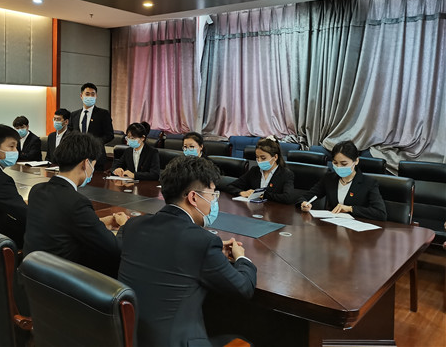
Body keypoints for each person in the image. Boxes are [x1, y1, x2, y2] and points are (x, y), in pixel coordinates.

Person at [117, 156, 257, 347]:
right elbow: (243, 288)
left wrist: (211, 255)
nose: (214, 202)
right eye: (212, 195)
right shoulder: (202, 242)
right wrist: (242, 259)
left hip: (131, 339)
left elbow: (167, 251)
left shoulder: (134, 226)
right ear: (193, 198)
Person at [23, 131, 126, 277]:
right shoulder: (77, 202)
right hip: (61, 280)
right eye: (94, 165)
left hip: (33, 275)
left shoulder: (37, 190)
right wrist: (124, 226)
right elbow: (115, 249)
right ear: (85, 163)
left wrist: (99, 222)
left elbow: (60, 223)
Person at [299, 140, 387, 221]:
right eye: (335, 163)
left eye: (344, 164)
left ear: (356, 161)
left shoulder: (369, 183)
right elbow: (303, 198)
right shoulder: (329, 179)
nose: (339, 167)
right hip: (332, 226)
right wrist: (304, 204)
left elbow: (380, 213)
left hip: (357, 228)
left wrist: (350, 209)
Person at [226, 137, 295, 204]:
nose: (259, 161)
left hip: (275, 210)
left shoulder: (286, 174)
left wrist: (263, 195)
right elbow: (230, 186)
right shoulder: (254, 171)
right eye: (257, 157)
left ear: (275, 157)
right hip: (253, 208)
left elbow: (287, 197)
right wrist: (242, 192)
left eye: (263, 158)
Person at [70, 83, 114, 170]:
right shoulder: (74, 115)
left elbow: (109, 135)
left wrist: (94, 143)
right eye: (87, 94)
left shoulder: (103, 114)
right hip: (77, 157)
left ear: (96, 96)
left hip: (96, 157)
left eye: (92, 94)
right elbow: (70, 132)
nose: (90, 97)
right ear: (81, 96)